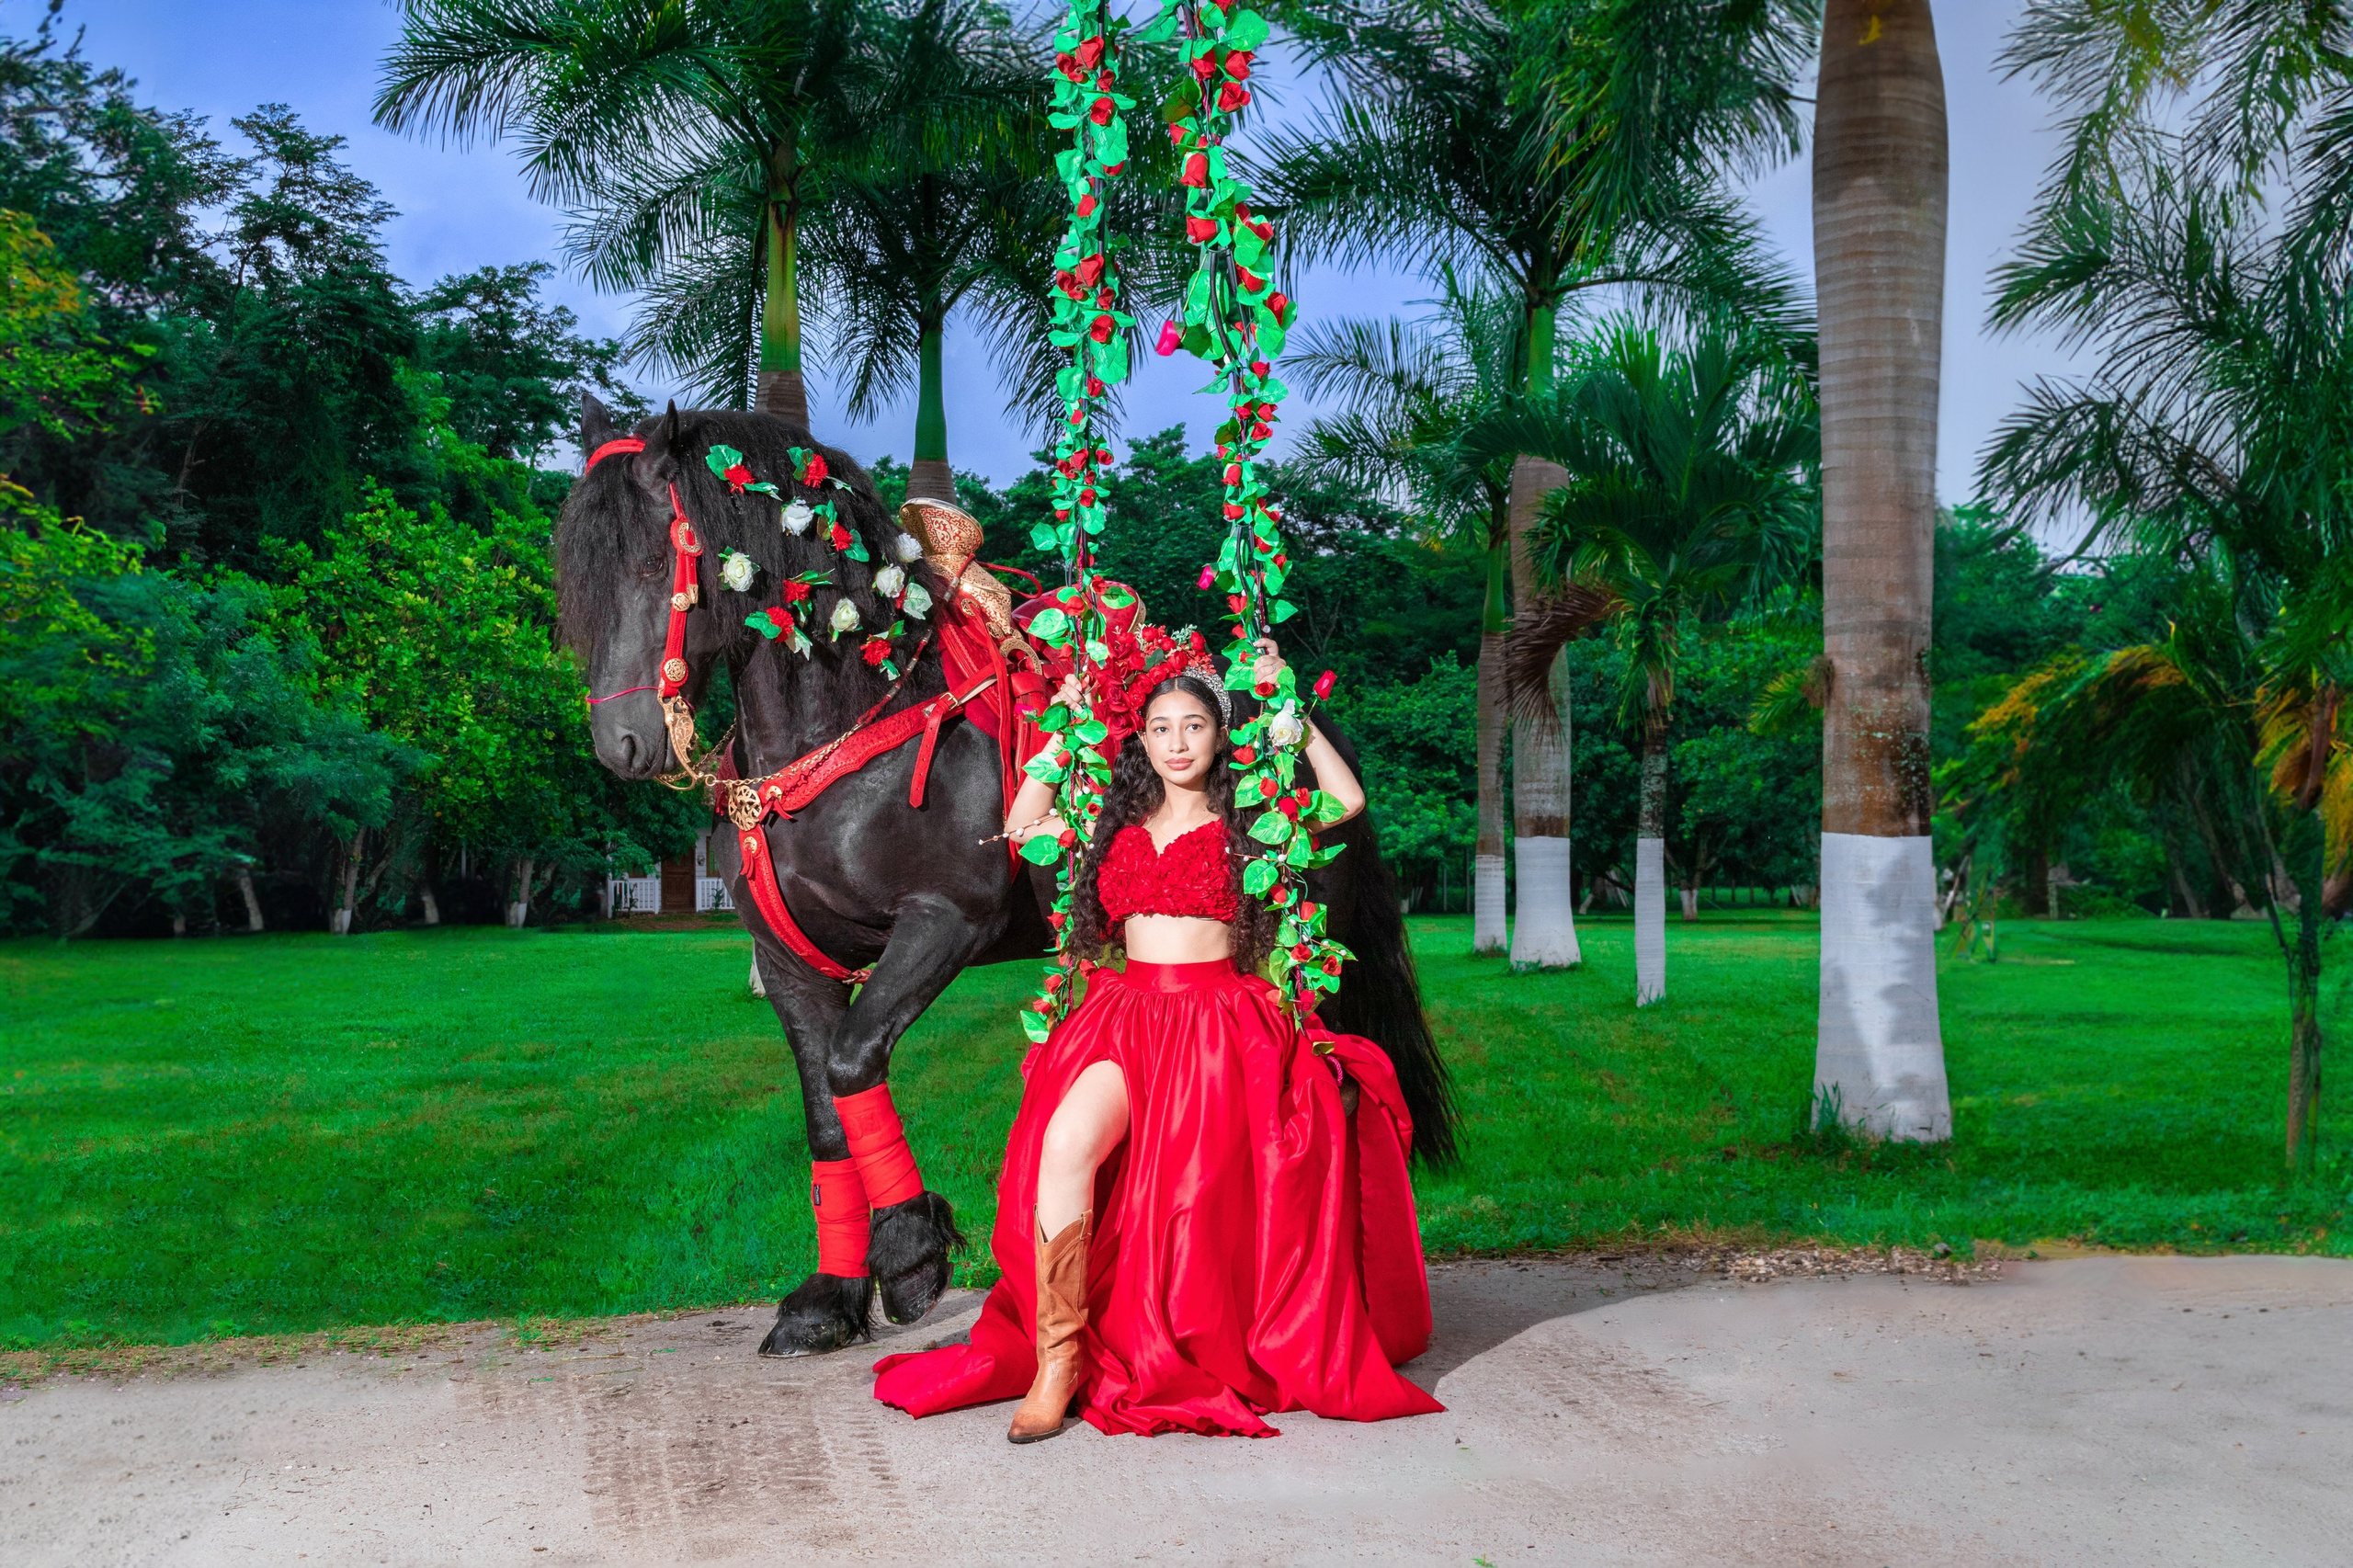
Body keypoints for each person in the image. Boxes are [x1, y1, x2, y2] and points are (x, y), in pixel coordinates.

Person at [870, 636, 1444, 1441]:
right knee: (1064, 1145)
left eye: (1195, 727)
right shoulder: (1116, 816)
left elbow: (1345, 802)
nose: (1177, 744)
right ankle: (1057, 1359)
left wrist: (1292, 708)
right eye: (1161, 729)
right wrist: (1059, 728)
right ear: (1141, 740)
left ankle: (1192, 1335)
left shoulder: (1253, 818)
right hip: (1126, 1015)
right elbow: (1021, 822)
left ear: (1220, 736)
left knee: (1189, 1198)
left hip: (1217, 1028)